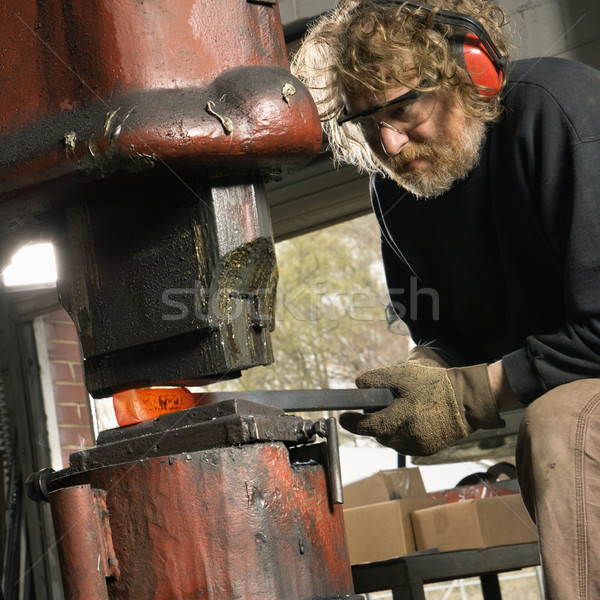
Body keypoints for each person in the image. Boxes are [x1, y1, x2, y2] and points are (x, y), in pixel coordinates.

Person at [292, 1, 600, 598]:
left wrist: (466, 396)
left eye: (402, 108)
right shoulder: (401, 192)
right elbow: (447, 330)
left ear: (470, 72)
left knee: (561, 424)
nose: (388, 142)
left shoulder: (564, 111)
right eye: (365, 122)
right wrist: (425, 371)